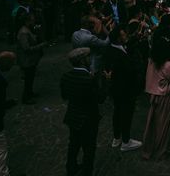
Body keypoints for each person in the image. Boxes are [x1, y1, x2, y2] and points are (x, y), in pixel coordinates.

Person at [61, 48, 107, 176]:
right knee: (89, 148)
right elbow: (100, 98)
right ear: (82, 61)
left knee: (73, 145)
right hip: (88, 119)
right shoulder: (89, 79)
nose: (89, 60)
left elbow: (64, 95)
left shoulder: (66, 76)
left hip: (73, 116)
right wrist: (106, 81)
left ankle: (71, 168)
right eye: (88, 58)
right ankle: (87, 171)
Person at [103, 25, 142, 152]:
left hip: (115, 89)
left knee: (117, 112)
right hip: (125, 90)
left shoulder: (109, 50)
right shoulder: (120, 55)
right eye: (124, 35)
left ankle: (117, 137)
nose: (126, 36)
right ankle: (126, 140)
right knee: (126, 114)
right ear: (119, 38)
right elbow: (130, 70)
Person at [141, 37, 170, 160]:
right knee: (164, 124)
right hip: (164, 97)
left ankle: (150, 147)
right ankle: (162, 148)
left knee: (152, 123)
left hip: (153, 95)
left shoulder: (151, 61)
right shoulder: (168, 65)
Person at [15, 11, 46, 104]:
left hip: (31, 59)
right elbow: (26, 48)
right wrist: (41, 45)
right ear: (27, 21)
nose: (34, 22)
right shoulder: (23, 32)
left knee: (31, 78)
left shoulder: (28, 30)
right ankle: (26, 97)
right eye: (32, 20)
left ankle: (29, 93)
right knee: (28, 79)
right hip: (26, 60)